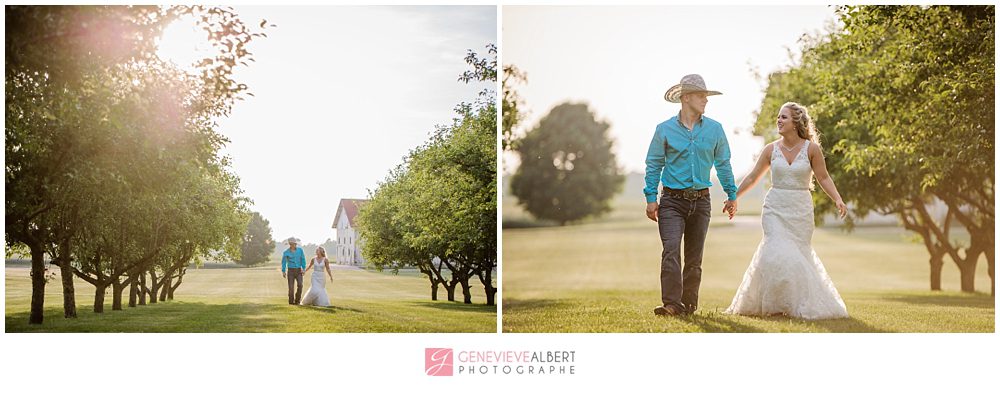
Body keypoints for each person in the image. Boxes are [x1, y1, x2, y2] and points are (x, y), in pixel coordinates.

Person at [724, 102, 849, 319]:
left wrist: (837, 198)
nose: (779, 121)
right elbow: (753, 176)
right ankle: (772, 305)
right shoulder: (770, 149)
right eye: (778, 117)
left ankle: (795, 304)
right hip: (775, 208)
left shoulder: (812, 149)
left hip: (800, 209)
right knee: (775, 252)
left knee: (796, 255)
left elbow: (823, 177)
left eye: (784, 117)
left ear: (796, 122)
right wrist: (734, 197)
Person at [644, 74, 738, 316]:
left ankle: (689, 305)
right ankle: (672, 304)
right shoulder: (663, 130)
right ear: (685, 98)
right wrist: (651, 198)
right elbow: (654, 164)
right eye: (700, 96)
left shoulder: (715, 129)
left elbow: (723, 164)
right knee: (671, 250)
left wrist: (731, 194)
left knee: (694, 259)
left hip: (702, 201)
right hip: (671, 202)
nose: (706, 100)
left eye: (706, 96)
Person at [281, 237, 307, 305]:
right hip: (290, 271)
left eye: (295, 244)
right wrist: (283, 271)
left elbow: (303, 260)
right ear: (290, 244)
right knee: (291, 287)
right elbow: (284, 262)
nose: (294, 245)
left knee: (300, 285)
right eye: (292, 244)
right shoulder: (286, 252)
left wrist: (304, 269)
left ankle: (297, 300)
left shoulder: (300, 250)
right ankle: (291, 302)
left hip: (299, 270)